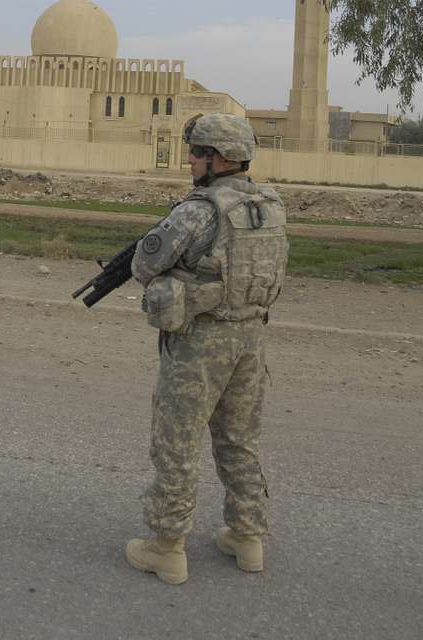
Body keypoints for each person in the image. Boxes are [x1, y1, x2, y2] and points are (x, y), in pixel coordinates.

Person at [125, 112, 288, 585]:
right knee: (239, 439)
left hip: (201, 342)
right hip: (250, 340)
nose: (191, 160)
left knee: (176, 440)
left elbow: (144, 263)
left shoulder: (200, 209)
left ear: (218, 158)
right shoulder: (271, 204)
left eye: (197, 152)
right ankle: (247, 536)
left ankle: (166, 546)